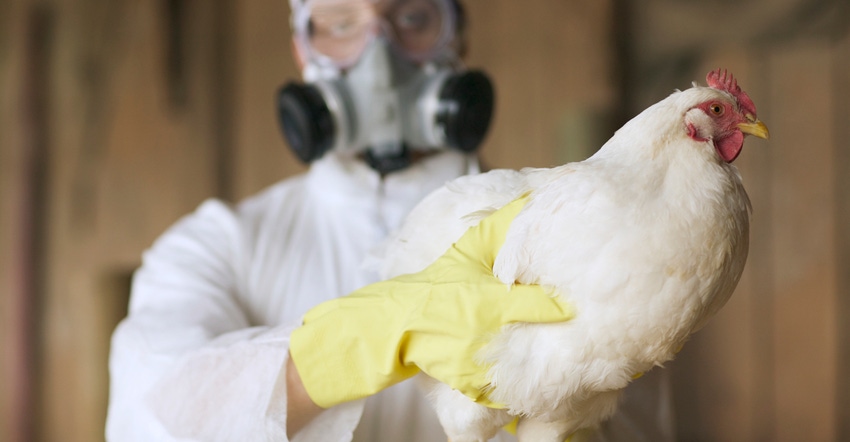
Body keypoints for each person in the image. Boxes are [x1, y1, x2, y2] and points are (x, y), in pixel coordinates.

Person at [106, 0, 674, 440]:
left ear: (458, 36)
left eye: (411, 16)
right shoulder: (213, 247)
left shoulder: (580, 237)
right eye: (341, 22)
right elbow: (149, 416)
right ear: (304, 53)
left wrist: (567, 420)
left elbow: (644, 430)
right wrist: (353, 343)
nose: (379, 53)